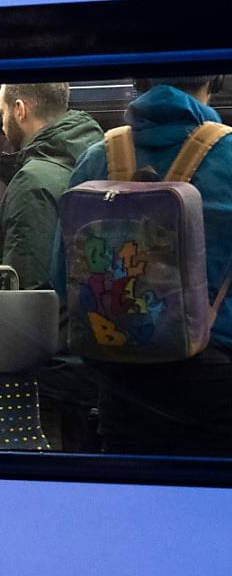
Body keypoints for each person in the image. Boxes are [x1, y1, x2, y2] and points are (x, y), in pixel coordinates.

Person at [60, 76, 232, 455]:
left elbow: (64, 279)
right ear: (217, 78)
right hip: (220, 386)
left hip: (123, 388)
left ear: (138, 79)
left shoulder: (97, 158)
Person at [0, 83, 104, 290]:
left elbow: (29, 292)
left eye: (3, 113)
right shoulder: (97, 160)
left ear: (19, 110)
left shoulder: (32, 183)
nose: (2, 125)